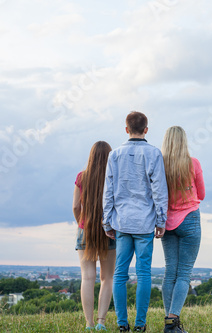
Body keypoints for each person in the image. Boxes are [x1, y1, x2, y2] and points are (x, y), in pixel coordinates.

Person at [103, 111, 168, 332]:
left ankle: (122, 324)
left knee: (120, 273)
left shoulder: (115, 155)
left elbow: (108, 191)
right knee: (144, 273)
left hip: (121, 221)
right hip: (145, 222)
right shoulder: (154, 154)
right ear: (146, 129)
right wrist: (161, 220)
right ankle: (140, 324)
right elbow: (159, 191)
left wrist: (106, 221)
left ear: (126, 129)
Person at [160, 126, 205, 333]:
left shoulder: (160, 166)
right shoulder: (193, 164)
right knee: (184, 273)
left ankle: (169, 321)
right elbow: (202, 194)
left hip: (167, 223)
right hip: (189, 219)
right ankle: (172, 322)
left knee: (170, 272)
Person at [73, 141, 116, 331]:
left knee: (87, 278)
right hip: (109, 231)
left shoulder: (81, 177)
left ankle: (89, 324)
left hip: (85, 230)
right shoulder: (114, 177)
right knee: (107, 278)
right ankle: (101, 323)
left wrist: (81, 224)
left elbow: (76, 207)